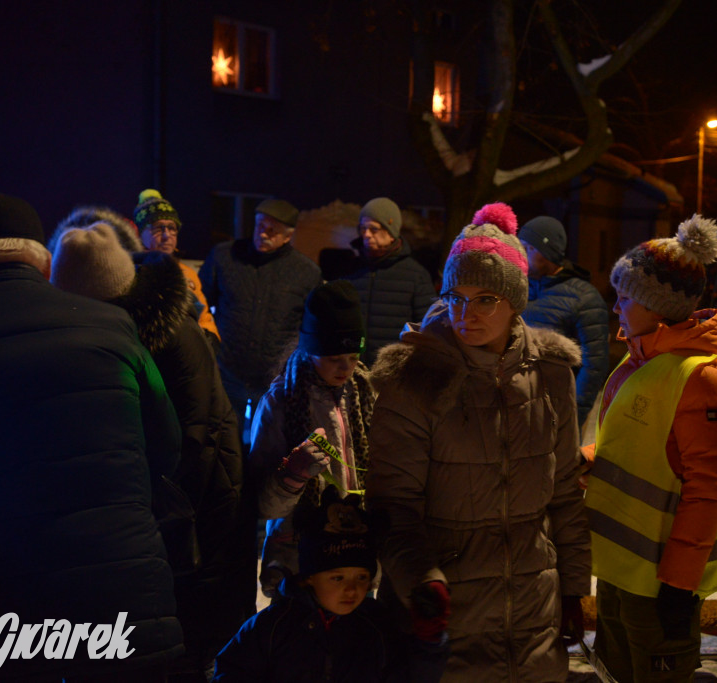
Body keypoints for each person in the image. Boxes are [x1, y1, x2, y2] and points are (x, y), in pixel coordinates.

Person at [365, 202, 591, 681]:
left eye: (485, 298)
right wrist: (422, 583)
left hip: (533, 617)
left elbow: (566, 493)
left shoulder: (550, 373)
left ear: (515, 300)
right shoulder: (415, 378)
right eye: (456, 296)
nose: (467, 313)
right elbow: (392, 505)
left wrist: (573, 589)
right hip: (450, 623)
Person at [0, 193, 183, 679]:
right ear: (44, 260)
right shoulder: (112, 325)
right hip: (124, 585)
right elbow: (166, 443)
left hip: (9, 596)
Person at [50, 223, 257, 681]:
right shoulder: (125, 333)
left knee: (188, 642)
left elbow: (191, 443)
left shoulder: (168, 338)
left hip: (200, 515)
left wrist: (150, 521)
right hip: (172, 515)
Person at [585, 214, 717, 682]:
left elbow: (708, 489)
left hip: (659, 584)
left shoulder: (701, 379)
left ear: (658, 306)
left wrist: (678, 585)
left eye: (625, 296)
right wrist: (589, 458)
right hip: (622, 571)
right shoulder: (641, 360)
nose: (616, 305)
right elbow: (642, 451)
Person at [213, 487, 449, 682]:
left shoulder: (377, 628)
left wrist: (430, 641)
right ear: (309, 576)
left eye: (361, 577)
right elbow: (231, 671)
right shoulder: (273, 627)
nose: (352, 589)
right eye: (337, 577)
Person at [250, 280, 376, 597]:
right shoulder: (282, 401)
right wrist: (293, 473)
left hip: (353, 554)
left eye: (353, 355)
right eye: (334, 357)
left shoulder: (367, 394)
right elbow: (261, 503)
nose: (346, 367)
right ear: (311, 349)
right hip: (298, 559)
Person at [199, 197, 322, 435]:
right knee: (222, 438)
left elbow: (308, 327)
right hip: (227, 369)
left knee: (267, 443)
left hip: (274, 378)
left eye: (272, 230)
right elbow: (201, 305)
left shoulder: (306, 272)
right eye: (260, 226)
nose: (263, 234)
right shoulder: (225, 256)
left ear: (288, 236)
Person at [518, 215, 610, 428]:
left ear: (545, 252)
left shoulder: (584, 297)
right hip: (521, 409)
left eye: (527, 248)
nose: (520, 255)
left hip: (559, 412)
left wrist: (573, 415)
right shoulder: (520, 290)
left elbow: (594, 365)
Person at [343, 196, 437, 365]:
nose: (366, 235)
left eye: (374, 229)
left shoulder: (415, 275)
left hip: (392, 369)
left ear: (391, 231)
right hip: (351, 367)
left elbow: (427, 327)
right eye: (363, 228)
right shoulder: (351, 269)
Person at [133, 189, 221, 342]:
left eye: (172, 228)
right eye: (157, 228)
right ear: (141, 234)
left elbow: (204, 317)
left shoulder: (188, 274)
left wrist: (210, 338)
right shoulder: (132, 272)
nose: (167, 235)